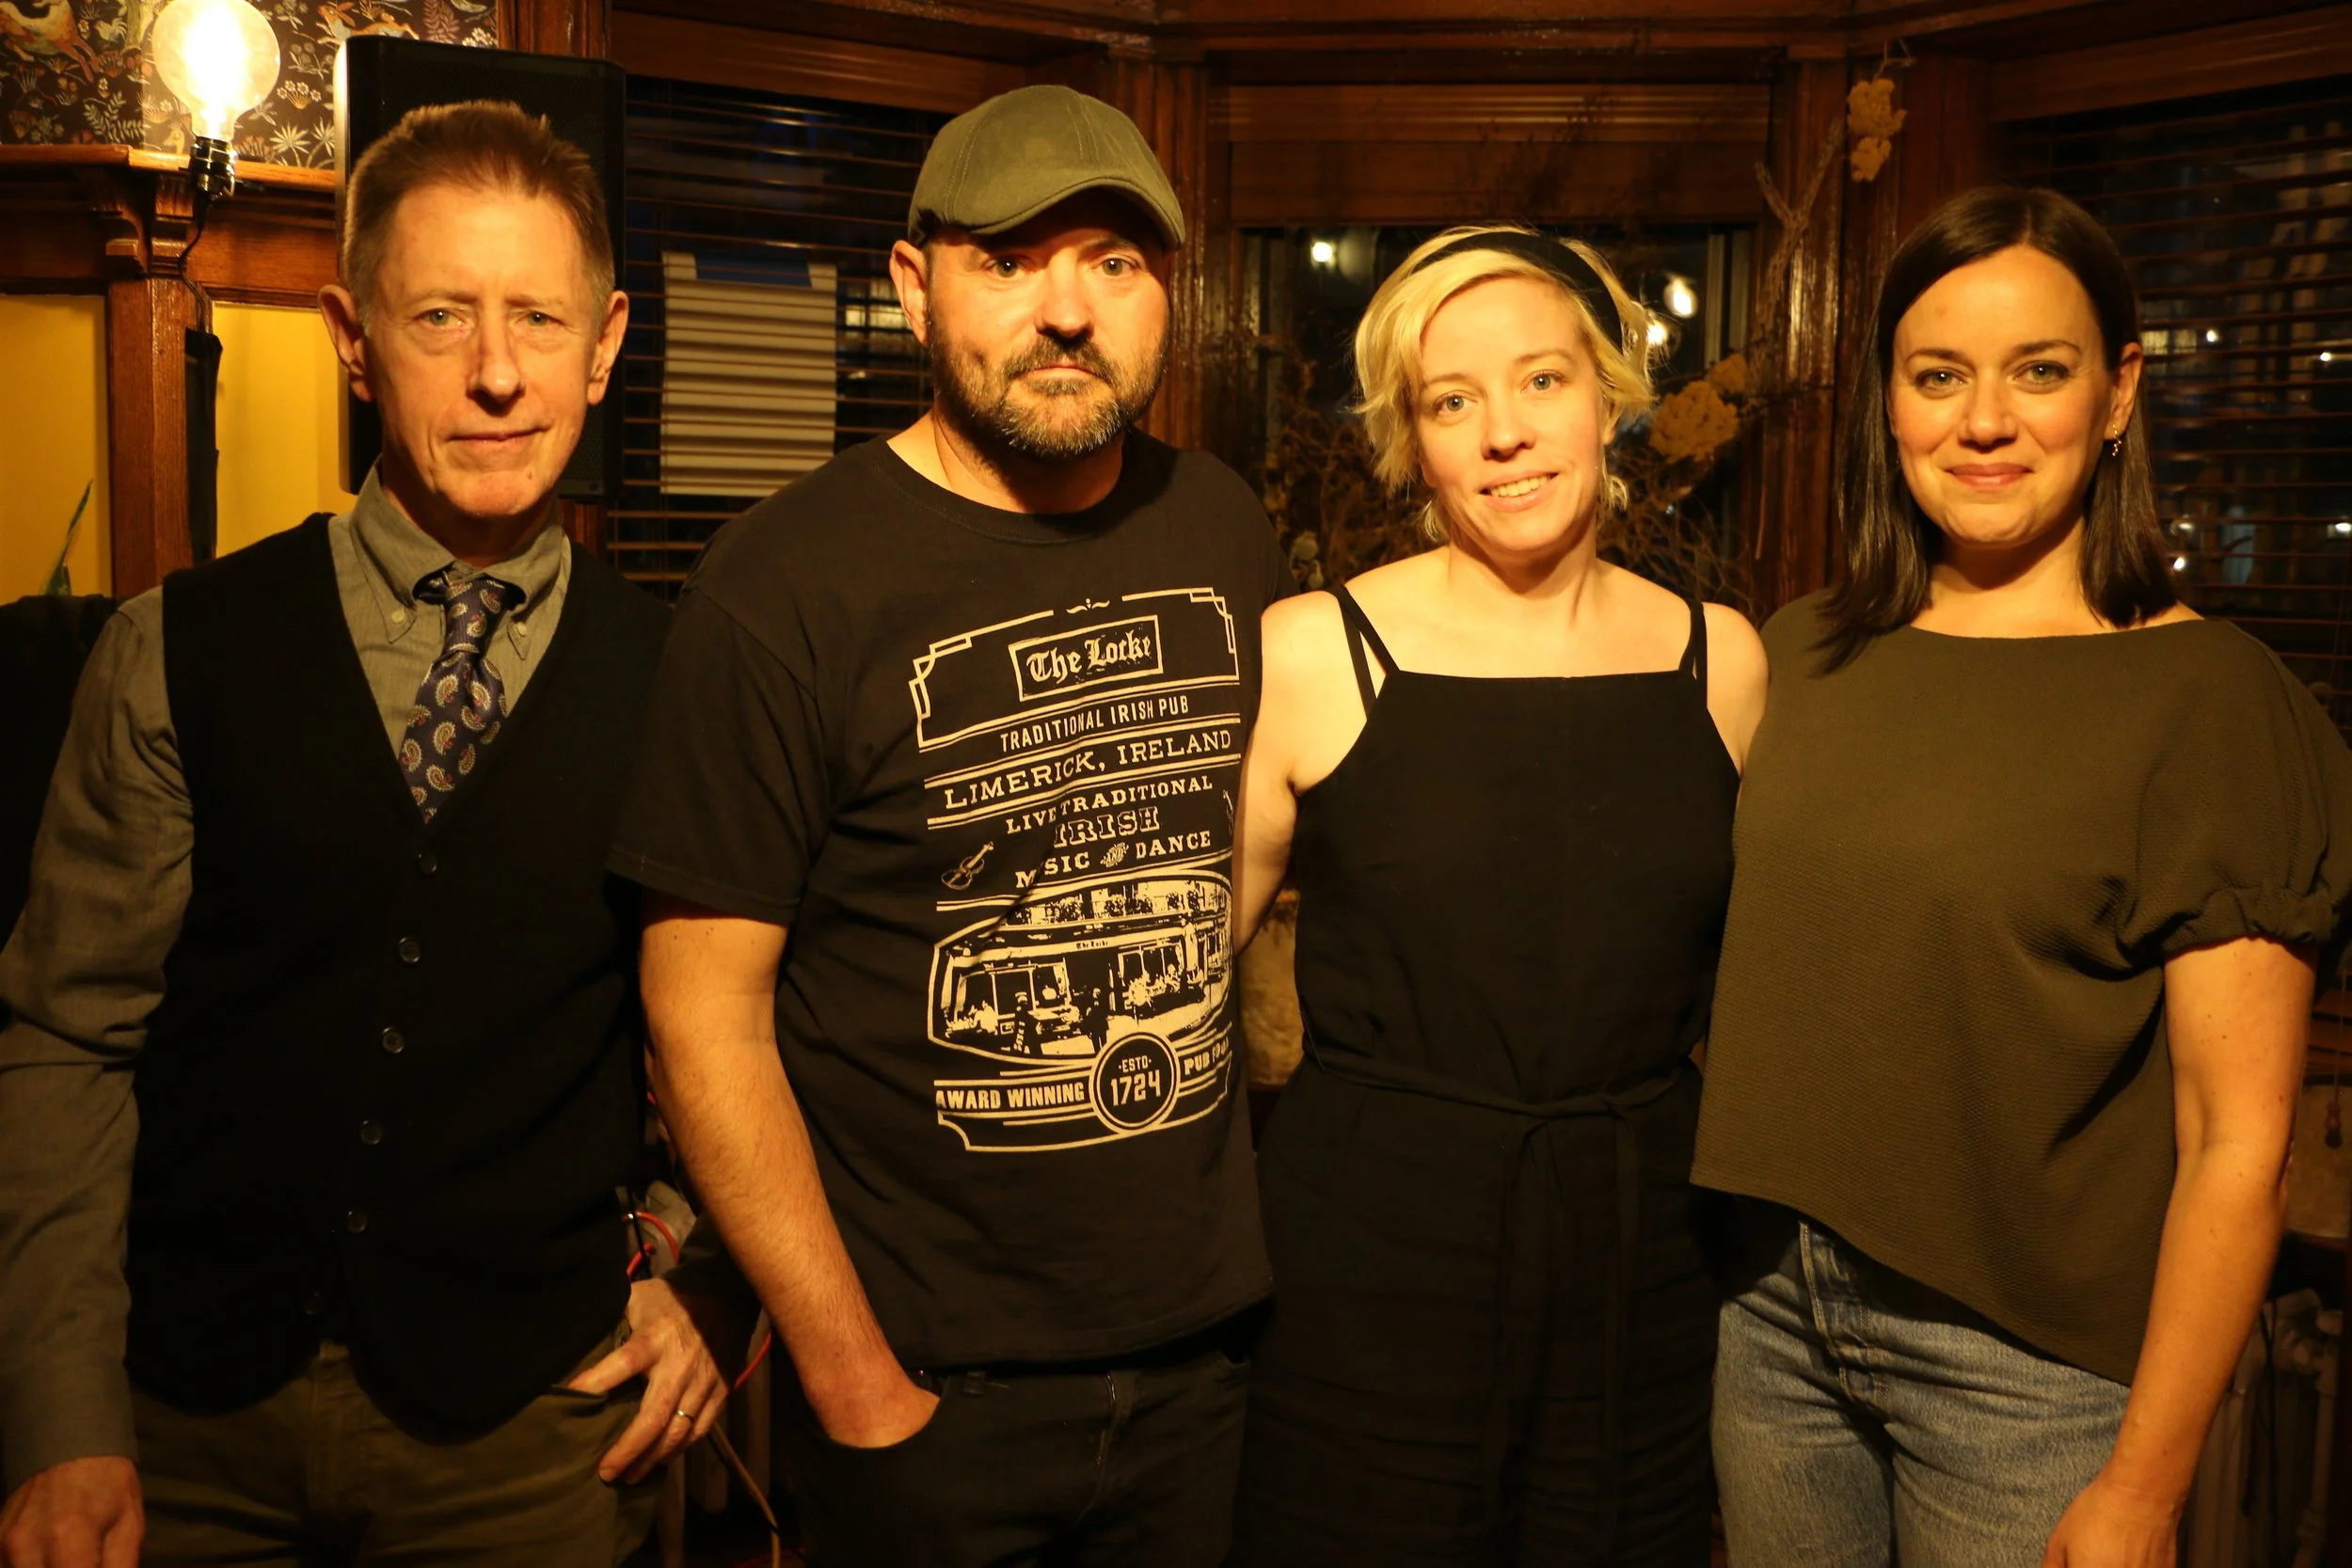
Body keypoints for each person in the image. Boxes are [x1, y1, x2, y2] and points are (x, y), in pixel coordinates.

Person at [0, 101, 732, 1568]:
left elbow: (756, 1027)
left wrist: (692, 1262)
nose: (498, 372)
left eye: (539, 319)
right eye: (441, 315)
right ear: (353, 337)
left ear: (604, 345)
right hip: (180, 1423)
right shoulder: (173, 650)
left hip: (531, 1436)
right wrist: (61, 1414)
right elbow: (68, 1041)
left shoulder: (690, 686)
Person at [610, 85, 1288, 1568]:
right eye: (1009, 259)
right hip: (923, 1397)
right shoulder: (779, 582)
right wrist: (853, 1382)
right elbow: (701, 1015)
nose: (1068, 309)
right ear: (915, 287)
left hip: (1207, 1377)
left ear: (1167, 292)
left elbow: (1218, 874)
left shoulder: (1225, 527)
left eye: (1113, 261)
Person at [1693, 185, 2352, 1568]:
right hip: (1766, 1321)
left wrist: (2147, 1489)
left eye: (2038, 372)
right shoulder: (1800, 651)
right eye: (1939, 376)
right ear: (1889, 403)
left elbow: (2239, 1142)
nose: (1983, 421)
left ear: (2120, 393)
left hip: (2023, 1380)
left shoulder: (2211, 701)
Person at [1228, 226, 1768, 1566]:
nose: (1504, 434)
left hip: (1640, 1256)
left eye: (1540, 381)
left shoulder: (1721, 663)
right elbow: (1177, 985)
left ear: (1608, 398)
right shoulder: (1315, 651)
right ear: (1412, 444)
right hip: (1368, 1259)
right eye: (1452, 400)